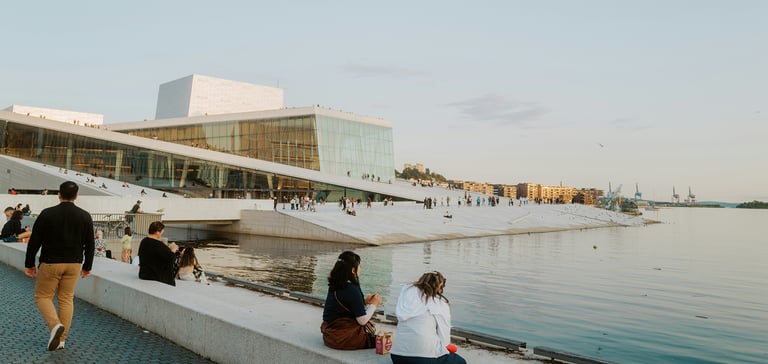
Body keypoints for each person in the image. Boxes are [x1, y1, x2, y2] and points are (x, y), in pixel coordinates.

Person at [24, 181, 95, 351]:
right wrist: (87, 265)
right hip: (74, 264)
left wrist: (29, 264)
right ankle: (61, 341)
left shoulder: (47, 214)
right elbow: (90, 243)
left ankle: (55, 325)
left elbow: (35, 241)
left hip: (51, 262)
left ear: (59, 194)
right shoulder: (84, 216)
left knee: (42, 297)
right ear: (76, 196)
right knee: (66, 299)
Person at [390, 272, 465, 364]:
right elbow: (444, 339)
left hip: (397, 357)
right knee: (460, 362)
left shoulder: (406, 297)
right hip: (424, 359)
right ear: (439, 287)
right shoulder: (440, 304)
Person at [320, 251, 382, 350]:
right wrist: (374, 304)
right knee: (382, 342)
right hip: (344, 338)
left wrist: (364, 302)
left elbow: (342, 307)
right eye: (359, 266)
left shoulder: (336, 285)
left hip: (330, 336)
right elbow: (362, 321)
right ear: (353, 270)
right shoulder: (352, 289)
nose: (360, 269)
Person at [138, 221, 179, 286]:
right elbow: (171, 259)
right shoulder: (158, 245)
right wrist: (173, 250)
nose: (162, 233)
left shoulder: (144, 242)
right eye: (161, 232)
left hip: (145, 275)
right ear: (157, 232)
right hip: (158, 278)